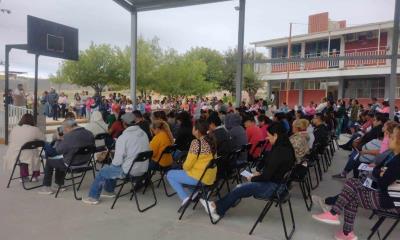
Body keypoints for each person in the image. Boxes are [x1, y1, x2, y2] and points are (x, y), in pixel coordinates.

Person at [312, 125, 400, 240]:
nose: (388, 140)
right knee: (352, 185)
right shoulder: (395, 157)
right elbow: (380, 172)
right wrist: (381, 172)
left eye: (392, 138)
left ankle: (337, 218)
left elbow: (382, 182)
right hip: (388, 196)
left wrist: (381, 172)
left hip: (391, 202)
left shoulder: (398, 161)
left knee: (351, 192)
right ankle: (344, 229)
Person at [199, 122, 296, 221]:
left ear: (276, 135)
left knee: (240, 188)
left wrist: (253, 178)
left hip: (273, 188)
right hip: (281, 186)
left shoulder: (278, 152)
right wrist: (259, 174)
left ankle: (216, 207)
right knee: (240, 188)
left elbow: (267, 176)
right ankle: (220, 206)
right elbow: (274, 171)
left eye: (269, 136)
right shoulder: (287, 148)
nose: (267, 138)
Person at [82, 113, 150, 204]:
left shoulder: (124, 137)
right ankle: (109, 191)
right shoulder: (143, 133)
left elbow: (117, 162)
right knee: (111, 167)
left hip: (130, 171)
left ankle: (93, 197)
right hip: (143, 169)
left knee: (104, 171)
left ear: (124, 123)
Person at [167, 119, 217, 206]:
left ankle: (185, 198)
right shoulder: (212, 141)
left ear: (197, 130)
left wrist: (182, 165)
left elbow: (187, 166)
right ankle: (194, 193)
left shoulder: (196, 143)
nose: (192, 128)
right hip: (210, 177)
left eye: (193, 127)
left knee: (170, 174)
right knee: (180, 173)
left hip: (199, 177)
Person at [38, 119, 95, 194]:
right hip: (85, 162)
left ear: (68, 127)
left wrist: (59, 140)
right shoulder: (89, 133)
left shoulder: (69, 136)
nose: (64, 131)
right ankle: (59, 184)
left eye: (64, 129)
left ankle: (46, 187)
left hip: (72, 164)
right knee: (61, 159)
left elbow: (57, 151)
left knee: (50, 161)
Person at [3, 114, 45, 182]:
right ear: (32, 120)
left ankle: (24, 176)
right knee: (34, 152)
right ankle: (34, 176)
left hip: (14, 154)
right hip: (29, 155)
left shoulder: (15, 128)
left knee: (24, 154)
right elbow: (43, 139)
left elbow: (10, 139)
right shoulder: (35, 129)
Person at [207, 112, 232, 177]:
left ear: (212, 124)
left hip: (219, 163)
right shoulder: (224, 130)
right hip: (227, 161)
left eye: (208, 125)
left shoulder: (215, 134)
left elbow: (209, 150)